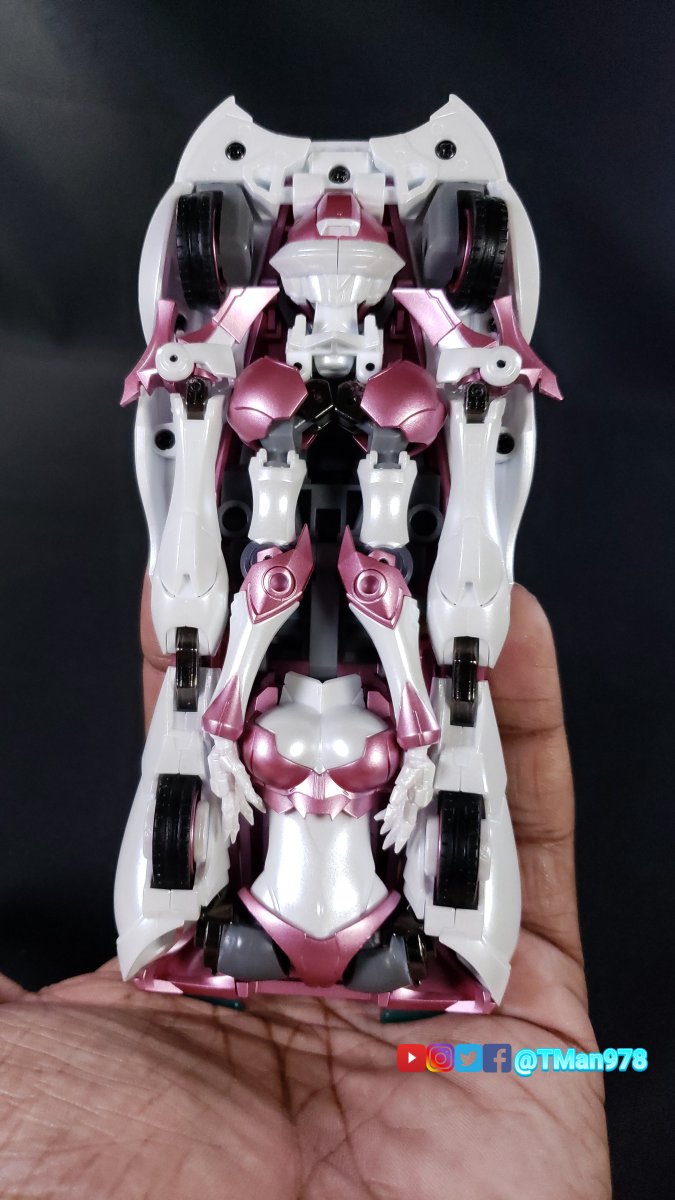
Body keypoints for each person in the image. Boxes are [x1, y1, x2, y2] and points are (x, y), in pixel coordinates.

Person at [0, 584, 611, 1198]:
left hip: (362, 933)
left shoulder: (380, 713)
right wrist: (220, 732)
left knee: (460, 774)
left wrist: (422, 745)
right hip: (277, 929)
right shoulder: (270, 706)